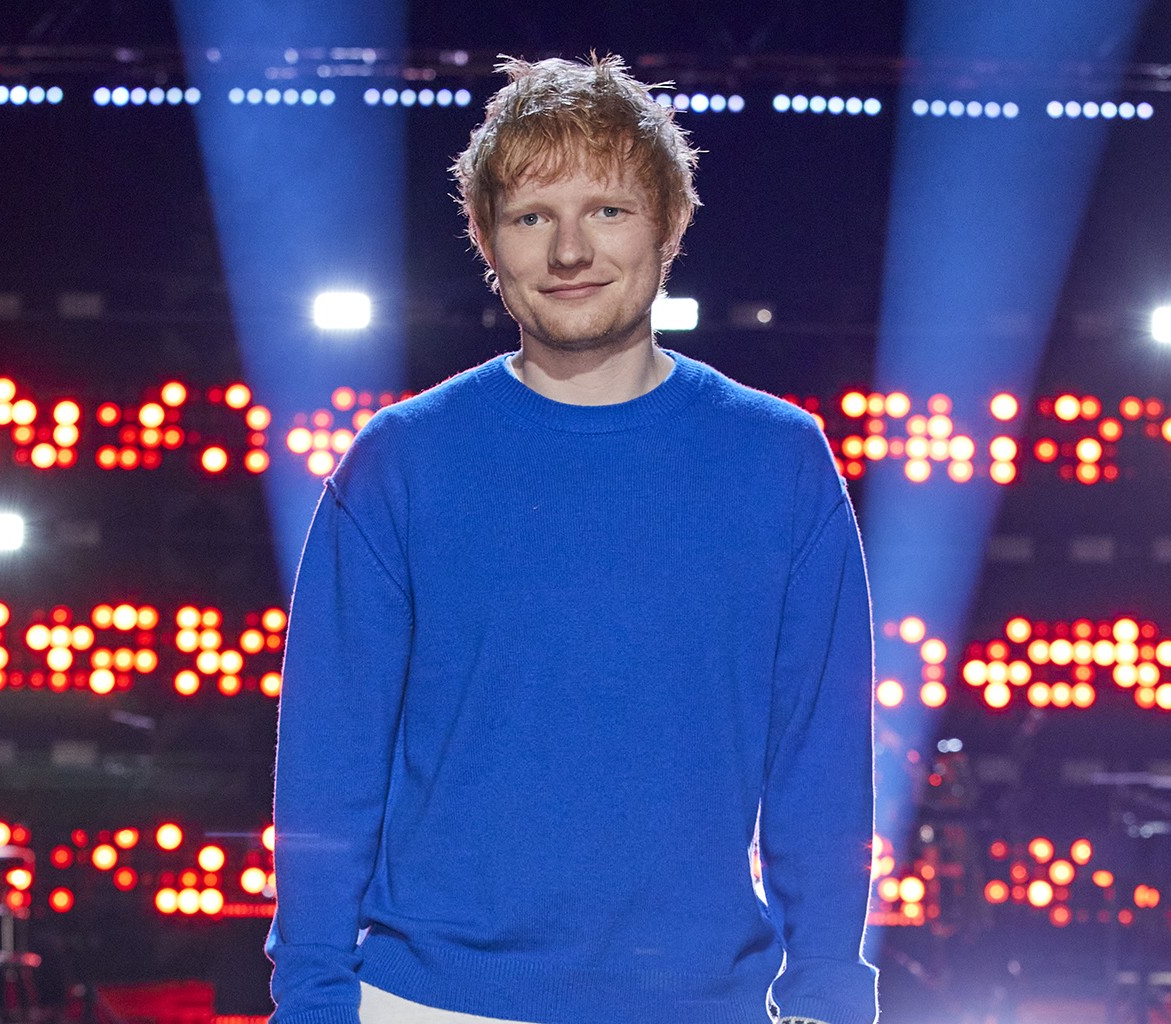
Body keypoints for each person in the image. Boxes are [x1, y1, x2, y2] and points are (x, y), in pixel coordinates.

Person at [267, 53, 879, 1024]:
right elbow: (328, 759)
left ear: (670, 224)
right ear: (485, 238)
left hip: (698, 1003)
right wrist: (310, 995)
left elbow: (822, 754)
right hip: (429, 1001)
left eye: (607, 209)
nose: (568, 251)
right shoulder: (400, 462)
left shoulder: (779, 461)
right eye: (531, 217)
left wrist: (830, 988)